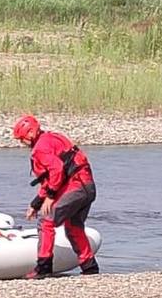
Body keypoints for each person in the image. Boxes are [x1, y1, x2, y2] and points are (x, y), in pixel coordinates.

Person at [13, 114, 99, 279]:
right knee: (74, 227)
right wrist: (36, 203)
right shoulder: (51, 138)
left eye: (21, 139)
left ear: (30, 134)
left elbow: (57, 170)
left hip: (77, 187)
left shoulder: (40, 148)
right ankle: (90, 268)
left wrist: (50, 196)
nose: (21, 143)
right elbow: (53, 177)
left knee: (46, 222)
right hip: (87, 186)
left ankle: (44, 267)